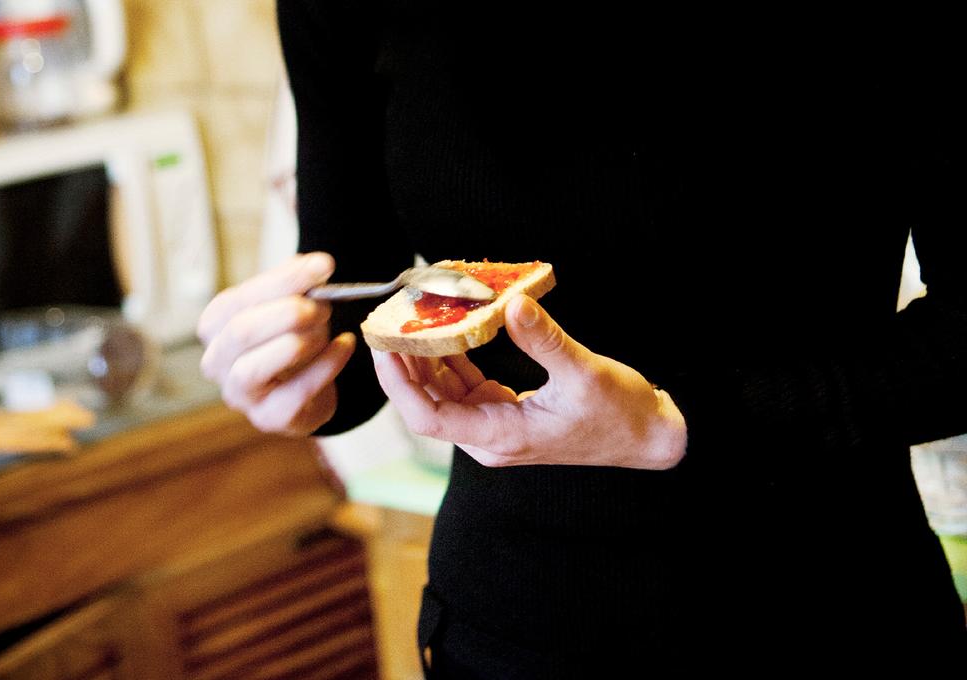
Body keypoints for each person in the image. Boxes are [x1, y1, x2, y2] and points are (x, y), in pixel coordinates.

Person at [199, 3, 967, 675]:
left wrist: (676, 425)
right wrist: (297, 377)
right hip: (504, 630)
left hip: (835, 620)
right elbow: (358, 309)